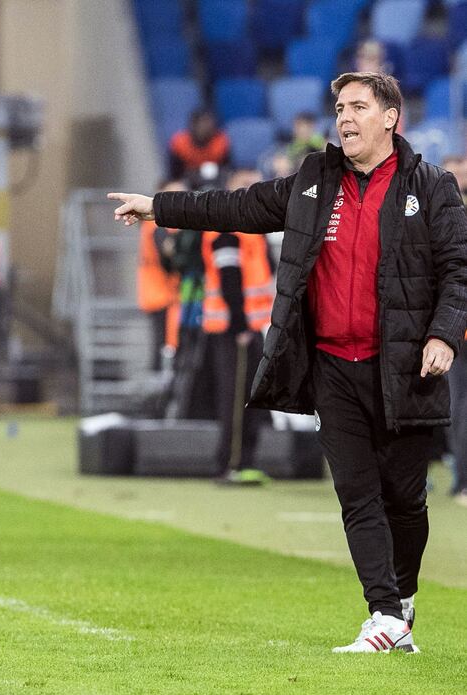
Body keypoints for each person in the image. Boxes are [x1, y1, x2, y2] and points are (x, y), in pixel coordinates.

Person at [109, 72, 467, 653]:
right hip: (332, 364)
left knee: (405, 498)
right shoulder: (313, 180)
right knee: (356, 492)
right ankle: (381, 613)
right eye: (339, 107)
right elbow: (240, 205)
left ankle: (400, 602)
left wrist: (444, 335)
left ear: (389, 118)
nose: (344, 117)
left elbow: (459, 270)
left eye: (357, 107)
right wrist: (160, 208)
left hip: (403, 367)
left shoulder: (430, 187)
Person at [201, 169, 274, 485]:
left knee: (249, 396)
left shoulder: (250, 227)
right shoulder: (227, 228)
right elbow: (229, 279)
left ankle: (244, 460)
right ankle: (229, 463)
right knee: (234, 398)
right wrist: (241, 325)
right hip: (233, 329)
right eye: (243, 185)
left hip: (250, 325)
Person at [442, 154, 467, 505]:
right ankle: (461, 477)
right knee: (457, 405)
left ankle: (461, 478)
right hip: (454, 329)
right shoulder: (444, 215)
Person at [136, 181, 182, 373]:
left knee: (163, 345)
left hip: (161, 293)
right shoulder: (159, 224)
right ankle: (159, 390)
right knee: (165, 346)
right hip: (162, 294)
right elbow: (168, 257)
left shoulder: (160, 223)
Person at [168, 108, 229, 186]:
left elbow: (227, 169)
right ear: (192, 125)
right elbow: (175, 175)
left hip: (217, 180)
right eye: (200, 123)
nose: (204, 128)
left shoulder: (221, 142)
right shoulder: (180, 144)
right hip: (189, 182)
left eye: (207, 123)